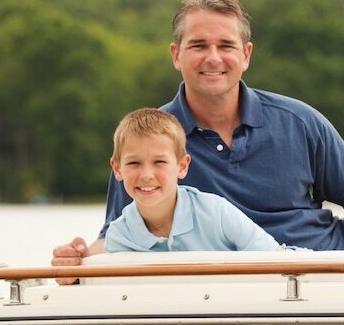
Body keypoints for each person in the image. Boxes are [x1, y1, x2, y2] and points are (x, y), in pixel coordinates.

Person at [54, 0, 344, 280]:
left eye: (226, 46)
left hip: (321, 277)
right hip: (219, 295)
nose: (213, 58)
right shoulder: (146, 143)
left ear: (245, 55)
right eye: (199, 45)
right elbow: (118, 236)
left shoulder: (300, 121)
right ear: (176, 55)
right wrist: (77, 258)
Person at [105, 107, 281, 253]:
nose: (146, 175)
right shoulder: (120, 236)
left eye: (159, 162)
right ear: (117, 169)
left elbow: (277, 258)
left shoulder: (216, 212)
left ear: (182, 166)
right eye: (134, 163)